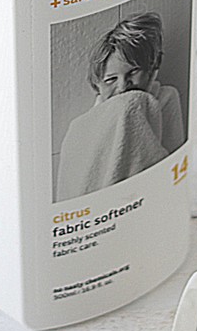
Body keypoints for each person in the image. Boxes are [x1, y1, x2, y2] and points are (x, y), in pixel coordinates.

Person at [55, 13, 185, 200]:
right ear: (97, 86)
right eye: (111, 79)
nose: (123, 86)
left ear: (151, 70)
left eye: (133, 72)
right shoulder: (78, 128)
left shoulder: (166, 98)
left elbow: (173, 162)